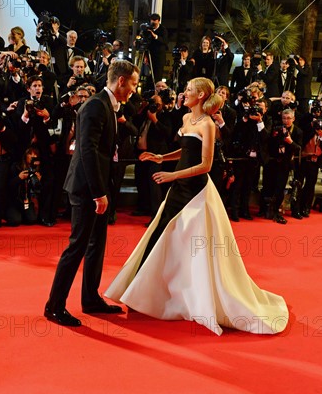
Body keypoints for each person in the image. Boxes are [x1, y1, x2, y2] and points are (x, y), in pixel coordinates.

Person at [104, 77, 289, 336]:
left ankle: (186, 297)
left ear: (201, 95)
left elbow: (205, 165)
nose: (185, 93)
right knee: (160, 237)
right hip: (179, 188)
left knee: (189, 244)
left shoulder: (208, 124)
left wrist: (171, 176)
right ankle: (147, 293)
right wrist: (162, 158)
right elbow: (184, 151)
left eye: (189, 90)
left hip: (195, 190)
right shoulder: (186, 119)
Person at [44, 60, 140, 327]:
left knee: (96, 245)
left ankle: (90, 298)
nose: (134, 89)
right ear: (121, 80)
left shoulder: (107, 106)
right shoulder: (96, 105)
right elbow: (87, 150)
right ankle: (54, 306)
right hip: (87, 188)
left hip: (98, 185)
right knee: (77, 246)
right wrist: (99, 193)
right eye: (133, 83)